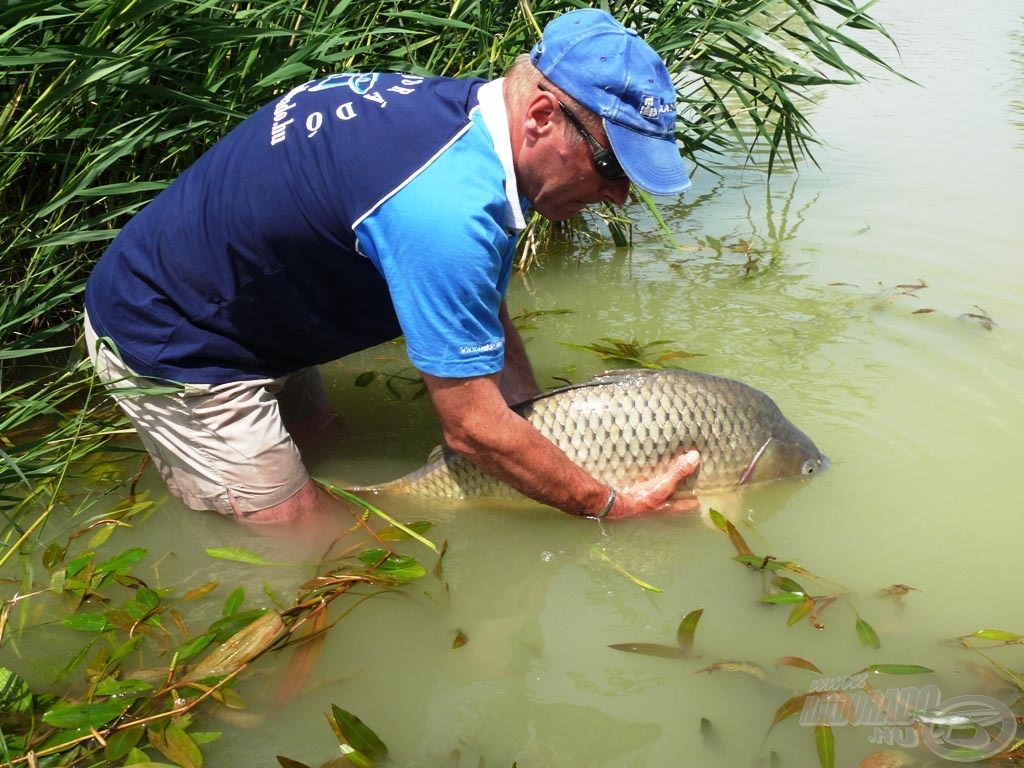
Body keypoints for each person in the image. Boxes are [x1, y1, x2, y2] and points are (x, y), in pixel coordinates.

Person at [83, 8, 702, 526]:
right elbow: (471, 431)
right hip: (173, 336)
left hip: (253, 307)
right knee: (305, 542)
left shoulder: (472, 129)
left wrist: (534, 425)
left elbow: (479, 303)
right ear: (541, 116)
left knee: (325, 446)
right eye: (612, 164)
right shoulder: (445, 210)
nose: (620, 196)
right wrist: (609, 503)